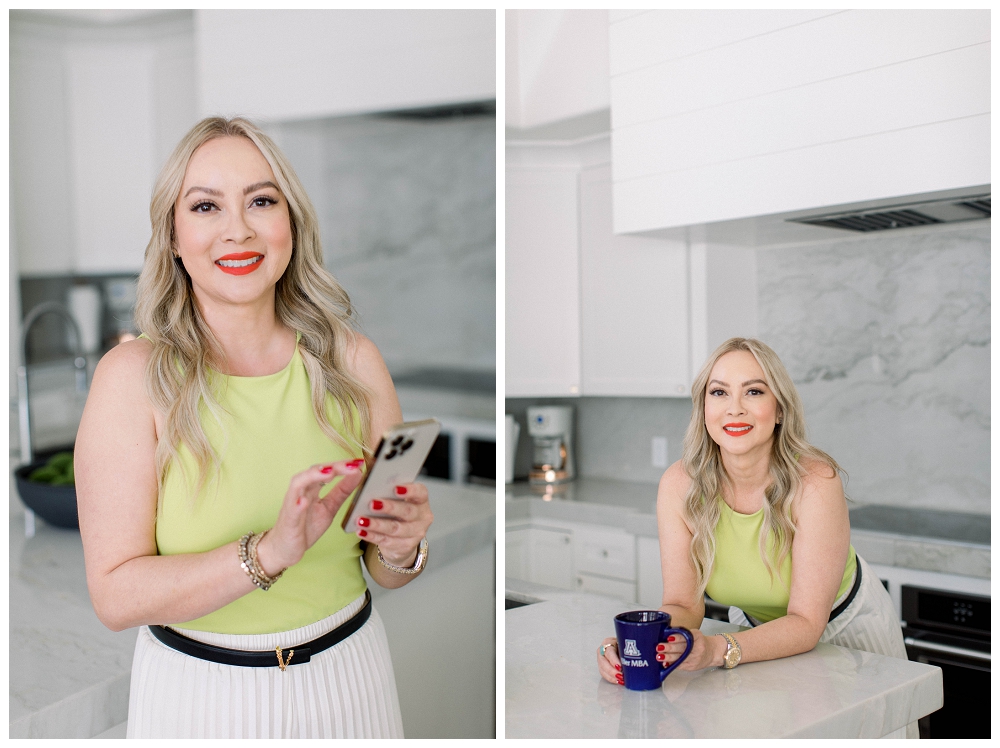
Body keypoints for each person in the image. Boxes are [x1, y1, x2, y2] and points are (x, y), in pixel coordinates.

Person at [75, 116, 432, 739]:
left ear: (291, 222)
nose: (237, 229)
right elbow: (115, 596)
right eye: (205, 206)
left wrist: (403, 548)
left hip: (353, 682)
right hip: (199, 699)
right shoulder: (131, 378)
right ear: (174, 236)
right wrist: (268, 554)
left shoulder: (353, 362)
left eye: (261, 201)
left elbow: (382, 565)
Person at [597, 337, 917, 739]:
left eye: (753, 391)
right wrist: (641, 644)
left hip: (848, 633)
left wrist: (717, 649)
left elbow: (806, 623)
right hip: (756, 636)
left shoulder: (815, 482)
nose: (735, 408)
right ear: (703, 407)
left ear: (779, 409)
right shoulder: (679, 485)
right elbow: (682, 604)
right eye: (719, 392)